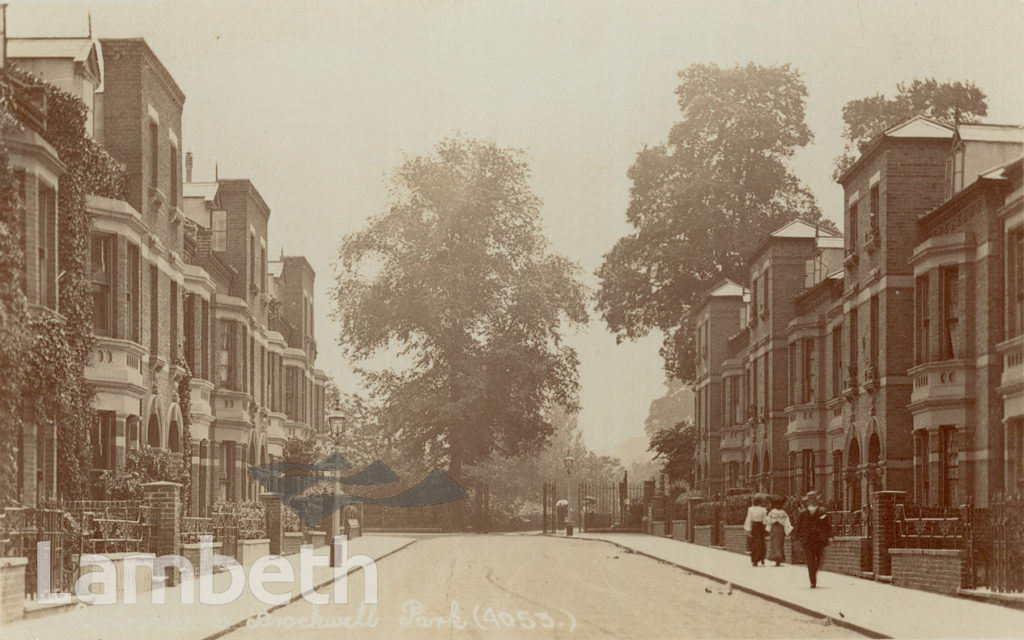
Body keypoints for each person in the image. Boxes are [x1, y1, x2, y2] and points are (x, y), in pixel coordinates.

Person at [794, 490, 830, 587]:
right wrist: (797, 539)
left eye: (814, 499)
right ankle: (812, 581)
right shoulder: (803, 513)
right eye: (810, 499)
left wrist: (829, 536)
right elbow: (798, 527)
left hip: (819, 540)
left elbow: (827, 525)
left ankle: (814, 573)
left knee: (818, 560)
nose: (812, 501)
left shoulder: (821, 512)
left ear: (816, 500)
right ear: (807, 501)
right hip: (808, 540)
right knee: (810, 560)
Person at [765, 496, 793, 566]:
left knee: (780, 544)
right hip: (774, 529)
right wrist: (770, 524)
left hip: (781, 529)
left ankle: (779, 560)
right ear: (775, 505)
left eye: (780, 504)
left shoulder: (783, 512)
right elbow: (768, 520)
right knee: (774, 544)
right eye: (777, 504)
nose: (778, 505)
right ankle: (775, 559)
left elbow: (787, 521)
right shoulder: (772, 512)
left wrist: (788, 528)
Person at [743, 494, 768, 566]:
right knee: (761, 542)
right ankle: (762, 558)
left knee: (754, 543)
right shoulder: (763, 510)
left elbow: (749, 519)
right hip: (761, 527)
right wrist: (765, 526)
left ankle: (755, 560)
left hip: (754, 527)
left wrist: (748, 530)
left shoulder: (750, 509)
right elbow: (765, 520)